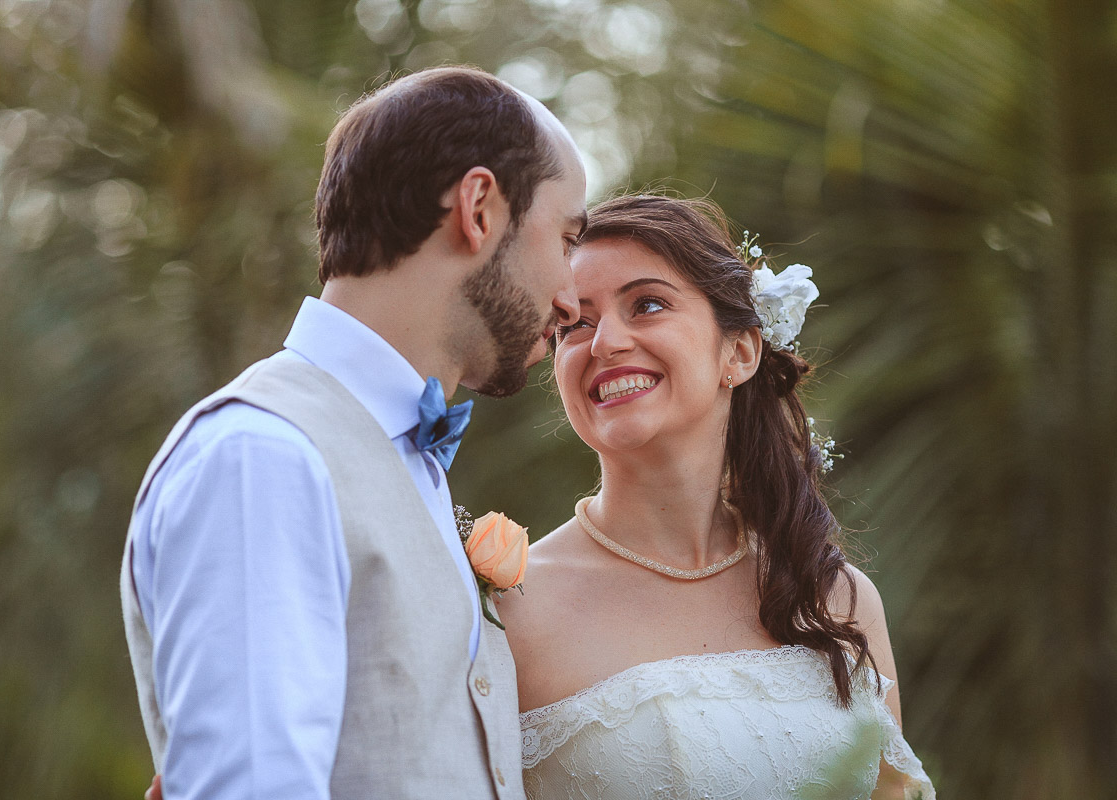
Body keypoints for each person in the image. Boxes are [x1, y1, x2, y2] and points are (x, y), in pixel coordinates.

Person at [121, 66, 587, 800]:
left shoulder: (399, 455)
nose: (571, 299)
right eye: (565, 239)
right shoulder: (263, 457)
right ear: (478, 208)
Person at [496, 194, 936, 799]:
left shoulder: (837, 597)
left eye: (647, 305)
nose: (604, 343)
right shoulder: (511, 611)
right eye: (575, 322)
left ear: (740, 351)